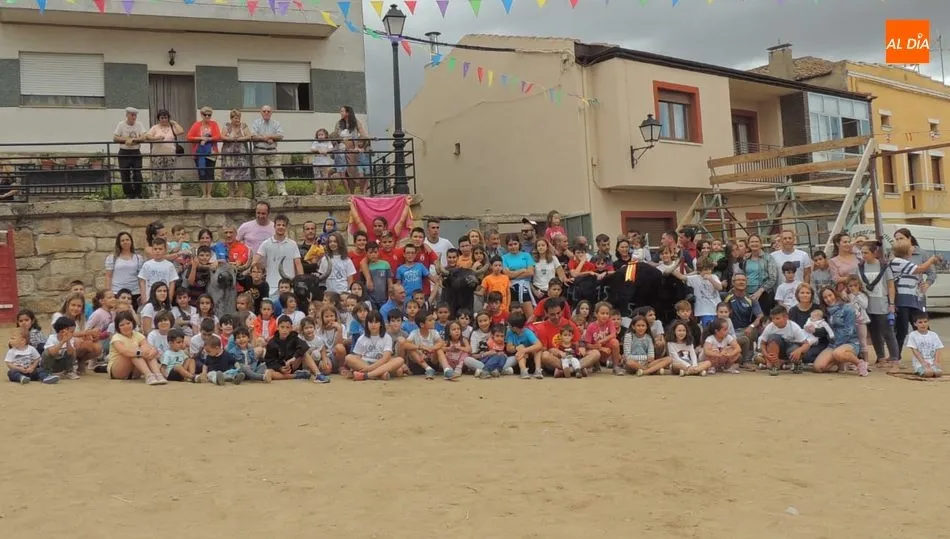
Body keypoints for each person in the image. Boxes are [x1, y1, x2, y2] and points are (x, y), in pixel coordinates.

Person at [813, 286, 866, 376]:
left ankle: (859, 363)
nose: (829, 299)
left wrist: (837, 343)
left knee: (837, 353)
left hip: (850, 343)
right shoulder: (826, 312)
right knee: (818, 367)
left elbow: (849, 331)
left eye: (830, 295)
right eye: (825, 298)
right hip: (833, 344)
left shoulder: (847, 308)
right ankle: (841, 362)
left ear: (835, 294)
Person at [107, 311, 165, 385]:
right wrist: (140, 352)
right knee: (135, 350)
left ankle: (158, 375)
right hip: (118, 371)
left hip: (135, 371)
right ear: (118, 327)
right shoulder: (116, 337)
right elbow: (124, 352)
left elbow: (147, 348)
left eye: (128, 323)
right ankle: (149, 375)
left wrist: (153, 351)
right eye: (122, 325)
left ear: (132, 323)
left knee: (147, 350)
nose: (126, 326)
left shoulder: (138, 335)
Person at [345, 311, 406, 380]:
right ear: (367, 323)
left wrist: (370, 368)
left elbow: (385, 358)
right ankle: (379, 374)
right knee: (349, 357)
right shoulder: (362, 338)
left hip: (381, 363)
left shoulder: (387, 337)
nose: (373, 325)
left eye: (376, 322)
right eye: (370, 322)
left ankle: (366, 375)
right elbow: (357, 356)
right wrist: (352, 368)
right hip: (365, 363)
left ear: (380, 324)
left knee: (400, 360)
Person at [756, 305, 811, 376]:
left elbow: (807, 344)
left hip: (791, 351)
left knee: (795, 348)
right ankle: (774, 366)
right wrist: (766, 355)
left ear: (786, 317)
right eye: (772, 318)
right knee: (773, 338)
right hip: (777, 351)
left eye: (777, 318)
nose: (774, 321)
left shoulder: (794, 327)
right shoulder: (770, 327)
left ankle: (795, 363)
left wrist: (799, 350)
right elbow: (763, 343)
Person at [250, 105, 287, 196]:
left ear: (271, 113)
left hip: (272, 150)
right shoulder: (256, 123)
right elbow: (253, 136)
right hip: (259, 150)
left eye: (268, 111)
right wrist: (266, 139)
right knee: (260, 172)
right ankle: (263, 193)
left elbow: (280, 135)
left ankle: (282, 191)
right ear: (261, 112)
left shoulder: (275, 123)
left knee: (278, 170)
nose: (266, 113)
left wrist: (268, 137)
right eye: (264, 111)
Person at [113, 107, 148, 199]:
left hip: (135, 152)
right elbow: (115, 138)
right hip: (124, 152)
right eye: (132, 115)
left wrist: (134, 140)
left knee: (137, 173)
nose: (134, 117)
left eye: (135, 115)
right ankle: (129, 194)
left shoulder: (139, 125)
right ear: (127, 115)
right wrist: (126, 140)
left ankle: (138, 193)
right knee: (125, 174)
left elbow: (144, 137)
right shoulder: (121, 124)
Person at [906, 312, 943, 378]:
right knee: (928, 373)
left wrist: (936, 361)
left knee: (938, 373)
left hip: (932, 363)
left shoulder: (933, 335)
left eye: (925, 322)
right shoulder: (913, 335)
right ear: (915, 324)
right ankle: (919, 371)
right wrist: (923, 363)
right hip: (920, 363)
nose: (923, 324)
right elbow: (915, 351)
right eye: (920, 322)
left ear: (928, 322)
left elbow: (938, 348)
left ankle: (931, 369)